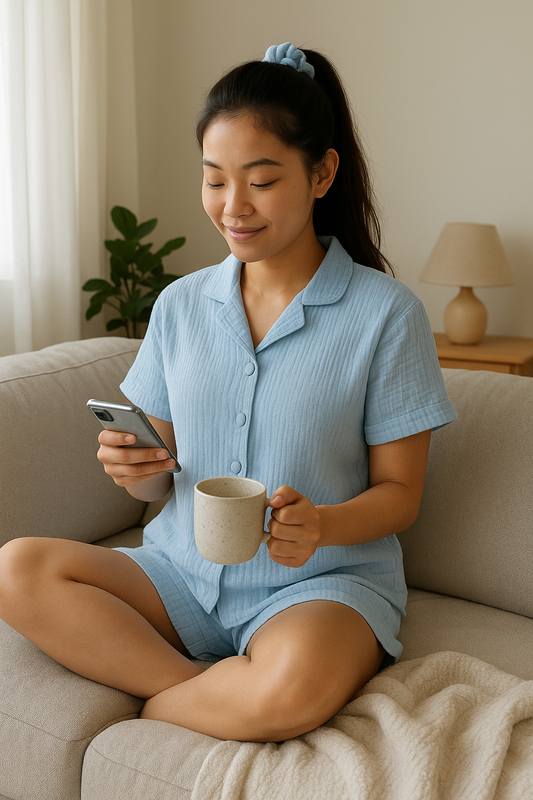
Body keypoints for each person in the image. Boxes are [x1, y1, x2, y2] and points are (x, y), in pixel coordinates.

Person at [0, 43, 456, 743]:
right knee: (17, 568)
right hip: (179, 572)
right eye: (214, 180)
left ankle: (173, 701)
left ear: (321, 173)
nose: (232, 206)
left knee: (286, 691)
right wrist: (137, 472)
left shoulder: (385, 314)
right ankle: (200, 692)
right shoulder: (181, 305)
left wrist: (322, 525)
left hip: (318, 584)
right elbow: (158, 480)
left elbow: (401, 494)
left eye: (261, 180)